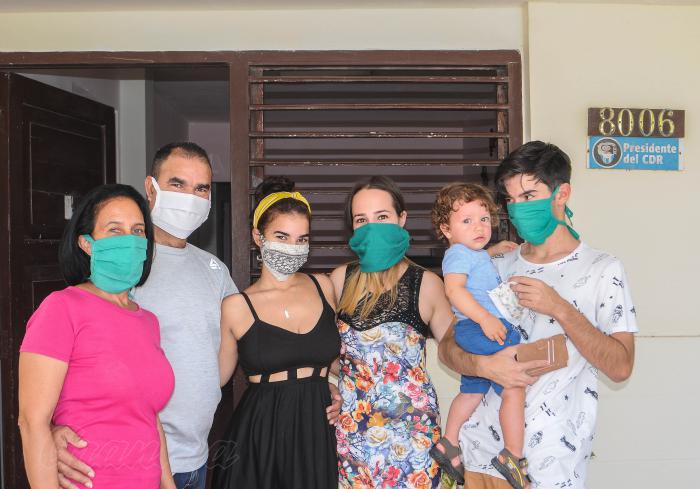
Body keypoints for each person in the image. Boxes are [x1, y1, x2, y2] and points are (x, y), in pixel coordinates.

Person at [52, 144, 342, 489]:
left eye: (201, 188)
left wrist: (319, 379)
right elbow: (73, 352)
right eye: (178, 184)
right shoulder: (126, 265)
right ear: (151, 188)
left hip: (198, 455)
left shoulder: (214, 270)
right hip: (132, 456)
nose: (190, 197)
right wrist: (53, 426)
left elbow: (253, 344)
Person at [438, 141, 637, 489]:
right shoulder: (494, 262)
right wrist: (483, 366)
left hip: (549, 466)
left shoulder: (603, 269)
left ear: (562, 194)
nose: (518, 209)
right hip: (479, 455)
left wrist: (559, 307)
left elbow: (620, 367)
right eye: (511, 200)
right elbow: (447, 347)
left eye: (529, 196)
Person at [18, 184, 176, 489]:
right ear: (86, 243)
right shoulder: (61, 309)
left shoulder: (148, 322)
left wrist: (168, 483)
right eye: (115, 230)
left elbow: (148, 416)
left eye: (138, 230)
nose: (129, 240)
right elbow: (31, 422)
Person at [212, 176, 341, 488]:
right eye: (281, 237)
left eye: (301, 239)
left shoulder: (324, 286)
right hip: (261, 434)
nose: (292, 248)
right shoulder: (236, 306)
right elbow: (215, 379)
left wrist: (343, 393)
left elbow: (339, 361)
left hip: (318, 429)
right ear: (258, 236)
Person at [330, 176, 455, 489]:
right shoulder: (339, 280)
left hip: (413, 437)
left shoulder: (427, 284)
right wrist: (328, 383)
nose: (372, 227)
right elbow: (321, 351)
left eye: (382, 216)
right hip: (354, 434)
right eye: (362, 220)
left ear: (402, 219)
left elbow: (455, 350)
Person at [429, 183, 526, 487]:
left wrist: (490, 252)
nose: (479, 227)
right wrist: (485, 319)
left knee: (472, 391)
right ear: (446, 229)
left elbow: (474, 269)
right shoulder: (459, 255)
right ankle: (512, 454)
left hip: (472, 330)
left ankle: (448, 442)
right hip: (480, 327)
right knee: (513, 386)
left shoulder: (469, 253)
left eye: (484, 219)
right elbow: (454, 290)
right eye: (467, 221)